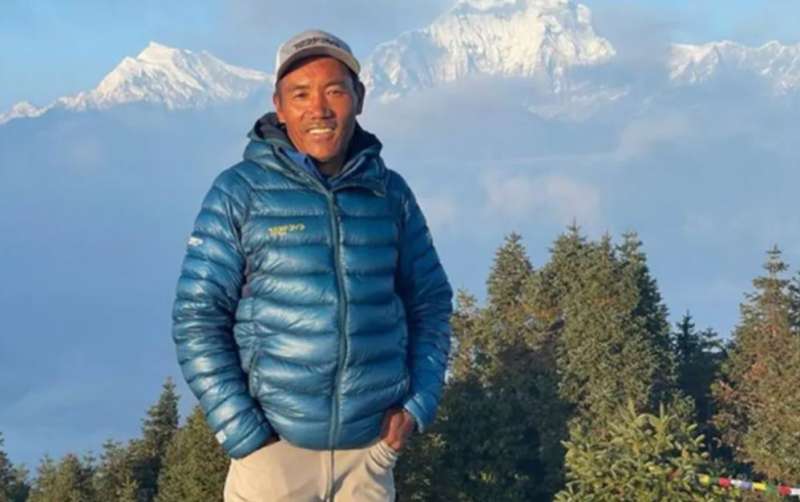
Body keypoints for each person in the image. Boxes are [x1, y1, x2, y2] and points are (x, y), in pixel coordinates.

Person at [171, 29, 453, 501]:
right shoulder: (239, 192)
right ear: (278, 107)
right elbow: (196, 317)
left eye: (334, 91)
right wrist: (243, 434)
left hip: (368, 460)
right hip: (273, 459)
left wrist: (417, 406)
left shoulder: (389, 193)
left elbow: (430, 302)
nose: (319, 109)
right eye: (300, 94)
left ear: (359, 98)